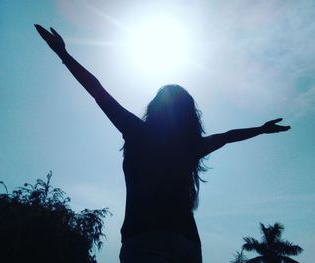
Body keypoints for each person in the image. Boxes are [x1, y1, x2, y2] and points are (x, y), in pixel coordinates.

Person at [35, 25, 291, 263]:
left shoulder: (137, 132)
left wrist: (64, 54)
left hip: (144, 239)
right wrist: (260, 130)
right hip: (186, 243)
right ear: (190, 115)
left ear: (154, 109)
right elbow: (227, 136)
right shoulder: (191, 147)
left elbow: (98, 92)